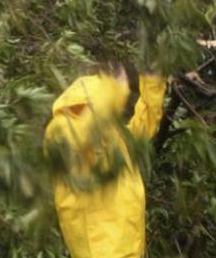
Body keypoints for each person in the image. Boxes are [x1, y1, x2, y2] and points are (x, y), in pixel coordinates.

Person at [43, 64, 167, 258]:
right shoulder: (61, 129)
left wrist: (153, 82)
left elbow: (141, 131)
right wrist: (113, 91)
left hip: (128, 248)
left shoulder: (110, 137)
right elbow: (83, 133)